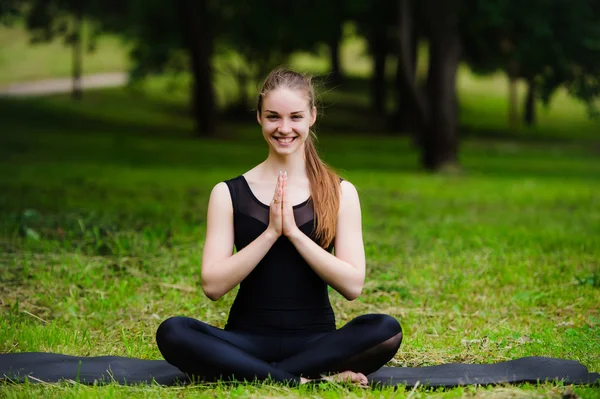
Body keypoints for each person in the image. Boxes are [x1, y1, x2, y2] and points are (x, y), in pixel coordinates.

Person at [155, 68, 402, 387]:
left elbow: (352, 285)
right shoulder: (228, 193)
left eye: (295, 117)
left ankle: (256, 374)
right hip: (245, 342)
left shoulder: (340, 192)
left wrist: (295, 234)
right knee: (173, 331)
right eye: (273, 117)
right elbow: (213, 286)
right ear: (259, 117)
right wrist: (270, 232)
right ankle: (304, 381)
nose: (284, 128)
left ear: (312, 116)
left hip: (316, 344)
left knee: (386, 329)